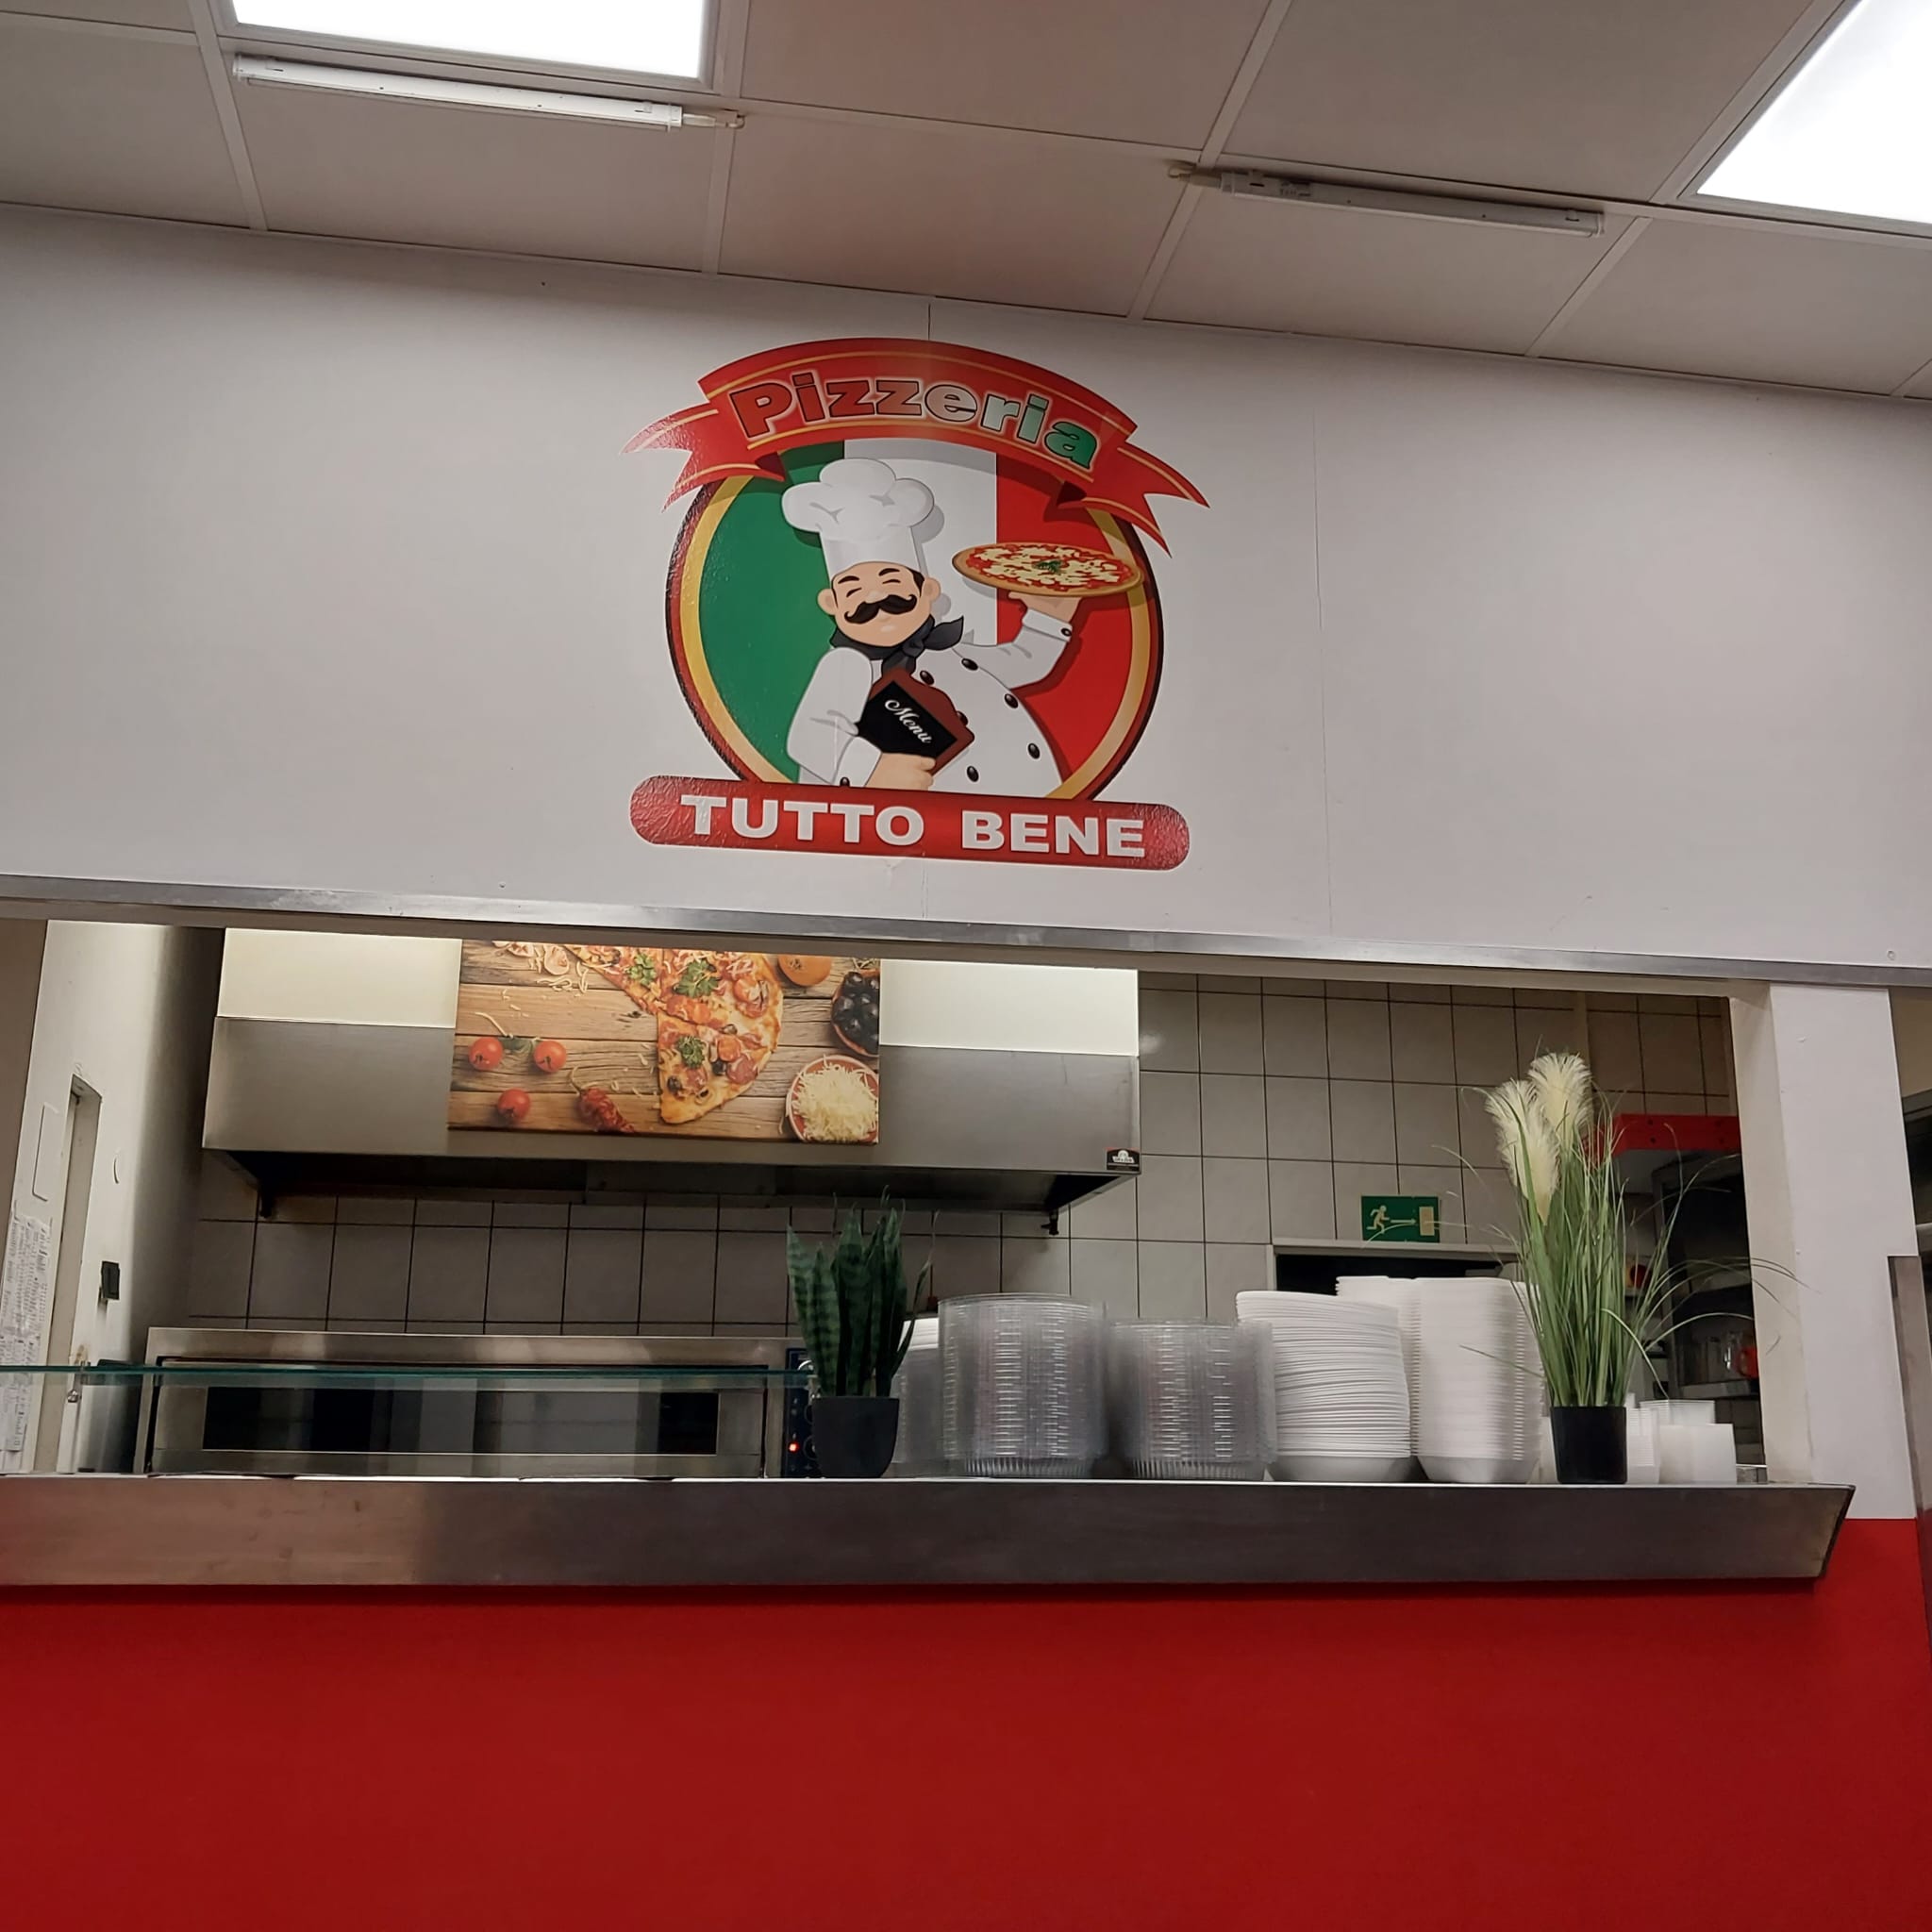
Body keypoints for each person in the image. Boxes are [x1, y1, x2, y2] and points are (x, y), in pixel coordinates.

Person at [781, 457, 1077, 793]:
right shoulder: (847, 664)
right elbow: (812, 735)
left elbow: (1023, 664)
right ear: (831, 604)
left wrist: (1048, 616)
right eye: (854, 590)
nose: (876, 597)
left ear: (928, 592)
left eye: (891, 582)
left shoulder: (948, 650)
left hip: (1027, 800)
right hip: (928, 813)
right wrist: (870, 770)